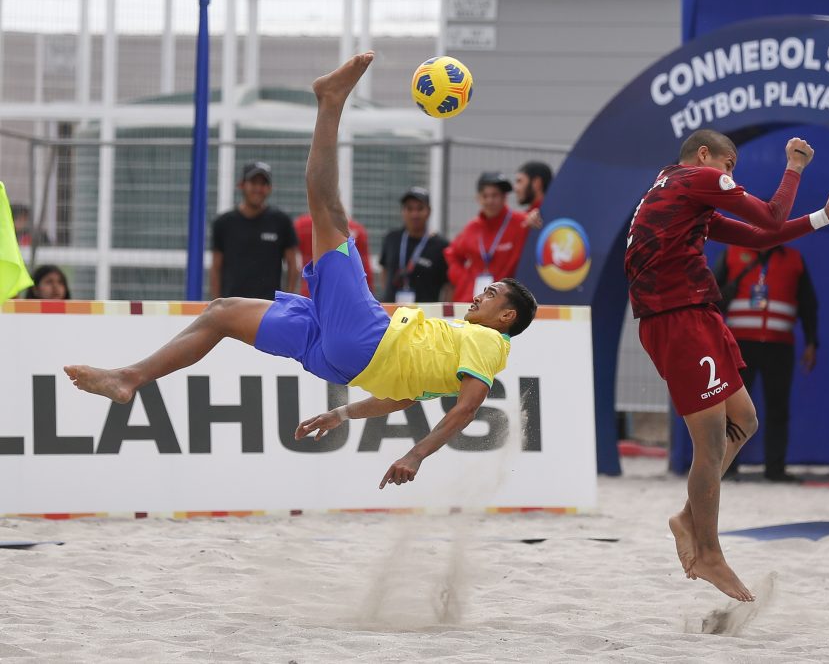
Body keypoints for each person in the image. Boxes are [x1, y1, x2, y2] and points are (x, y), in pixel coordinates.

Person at [64, 52, 538, 488]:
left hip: (367, 339)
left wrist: (416, 454)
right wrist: (344, 414)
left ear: (506, 318)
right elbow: (406, 397)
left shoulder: (488, 342)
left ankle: (330, 101)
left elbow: (469, 407)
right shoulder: (460, 347)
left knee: (328, 210)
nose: (482, 295)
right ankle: (129, 378)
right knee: (222, 311)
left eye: (493, 294)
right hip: (343, 359)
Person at [624, 128, 829, 601]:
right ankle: (709, 552)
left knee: (746, 419)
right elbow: (773, 218)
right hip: (678, 318)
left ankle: (687, 519)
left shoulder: (674, 191)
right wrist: (795, 167)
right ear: (703, 155)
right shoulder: (698, 178)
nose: (730, 176)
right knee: (710, 444)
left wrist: (822, 217)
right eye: (729, 166)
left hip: (694, 314)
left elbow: (759, 239)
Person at [713, 244, 819, 482]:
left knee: (778, 408)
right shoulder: (731, 254)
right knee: (733, 409)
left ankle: (775, 469)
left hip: (779, 346)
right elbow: (710, 297)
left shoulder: (794, 259)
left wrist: (812, 341)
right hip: (739, 345)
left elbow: (808, 304)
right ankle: (727, 468)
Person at [444, 172, 543, 302]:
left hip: (505, 303)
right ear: (478, 198)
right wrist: (463, 279)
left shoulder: (522, 223)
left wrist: (535, 217)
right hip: (471, 301)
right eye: (485, 196)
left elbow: (538, 218)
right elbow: (451, 254)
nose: (490, 201)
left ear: (504, 197)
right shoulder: (472, 227)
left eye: (495, 195)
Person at [210, 161, 301, 300]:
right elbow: (216, 268)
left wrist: (287, 303)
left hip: (268, 308)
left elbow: (293, 266)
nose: (258, 188)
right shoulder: (223, 223)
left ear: (270, 188)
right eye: (253, 183)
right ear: (241, 185)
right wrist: (216, 303)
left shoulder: (281, 221)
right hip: (232, 306)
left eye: (263, 184)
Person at [379, 186, 449, 303]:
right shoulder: (391, 239)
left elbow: (448, 285)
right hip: (393, 313)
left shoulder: (440, 246)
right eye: (409, 209)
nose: (414, 214)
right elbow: (385, 271)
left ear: (429, 211)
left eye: (420, 208)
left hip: (426, 316)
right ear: (403, 211)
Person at [294, 210, 373, 298]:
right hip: (345, 294)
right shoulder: (356, 229)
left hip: (311, 291)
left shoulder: (301, 225)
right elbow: (365, 268)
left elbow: (292, 261)